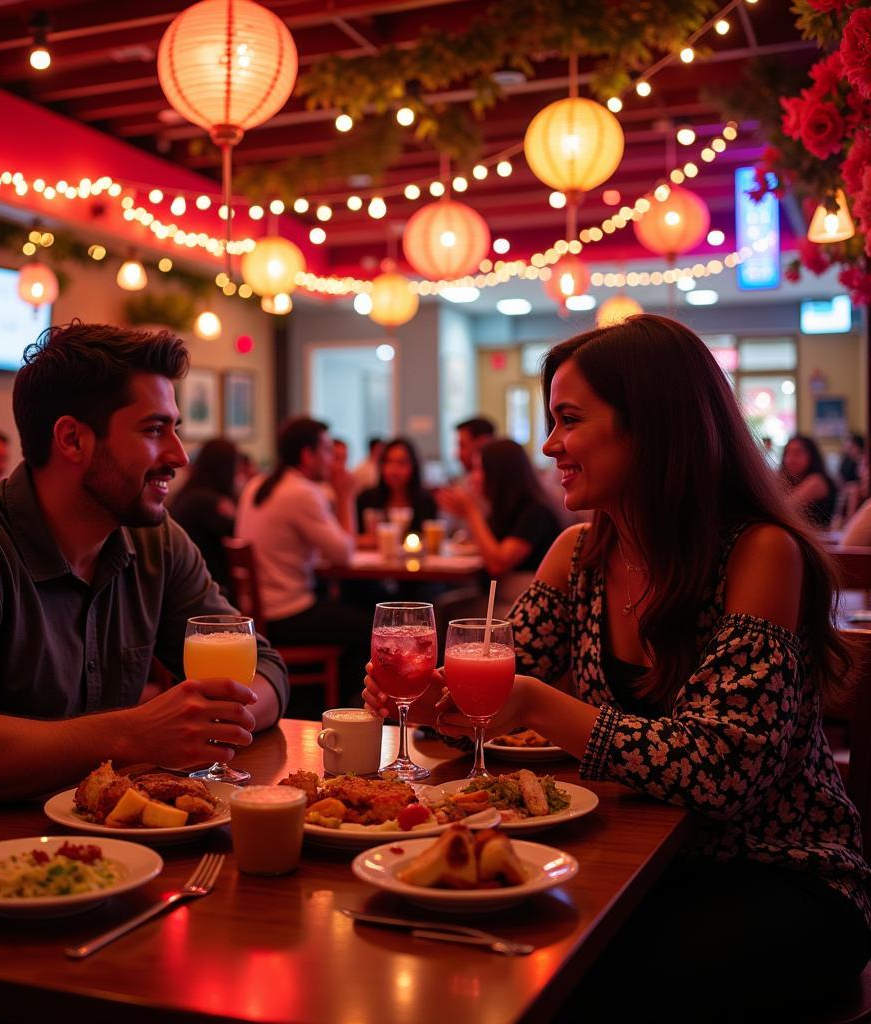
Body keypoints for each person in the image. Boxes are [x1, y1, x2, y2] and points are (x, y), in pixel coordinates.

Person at [364, 314, 870, 1018]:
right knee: (442, 935)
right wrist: (432, 708)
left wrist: (540, 705)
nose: (550, 445)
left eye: (568, 420)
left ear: (652, 425)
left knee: (570, 979)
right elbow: (488, 704)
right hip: (631, 861)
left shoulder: (760, 555)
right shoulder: (578, 556)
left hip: (777, 875)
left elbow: (723, 771)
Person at [0, 323, 287, 854]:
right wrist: (135, 733)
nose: (178, 455)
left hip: (80, 848)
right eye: (153, 430)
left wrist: (221, 715)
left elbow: (266, 667)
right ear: (73, 439)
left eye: (175, 429)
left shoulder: (154, 542)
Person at [236, 416, 369, 707]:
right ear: (307, 455)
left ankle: (322, 699)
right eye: (326, 450)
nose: (331, 459)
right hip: (286, 614)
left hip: (256, 613)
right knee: (369, 627)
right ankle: (344, 707)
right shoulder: (301, 492)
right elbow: (344, 554)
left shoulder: (257, 485)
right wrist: (346, 496)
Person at [437, 438, 561, 576]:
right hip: (499, 593)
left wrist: (471, 512)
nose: (472, 478)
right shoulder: (504, 509)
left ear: (499, 472)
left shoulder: (534, 512)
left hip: (520, 593)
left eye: (478, 469)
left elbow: (498, 564)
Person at [169, 437, 240, 592]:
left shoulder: (189, 494)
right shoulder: (210, 503)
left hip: (182, 583)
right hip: (206, 588)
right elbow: (239, 535)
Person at [356, 438, 438, 536]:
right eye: (388, 462)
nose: (394, 470)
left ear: (413, 467)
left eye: (401, 463)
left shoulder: (425, 501)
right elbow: (351, 538)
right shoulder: (366, 499)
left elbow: (429, 539)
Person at [781, 434, 837, 528]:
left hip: (819, 539)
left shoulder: (816, 481)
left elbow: (783, 509)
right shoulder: (792, 480)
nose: (790, 458)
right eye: (787, 453)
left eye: (797, 453)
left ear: (811, 456)